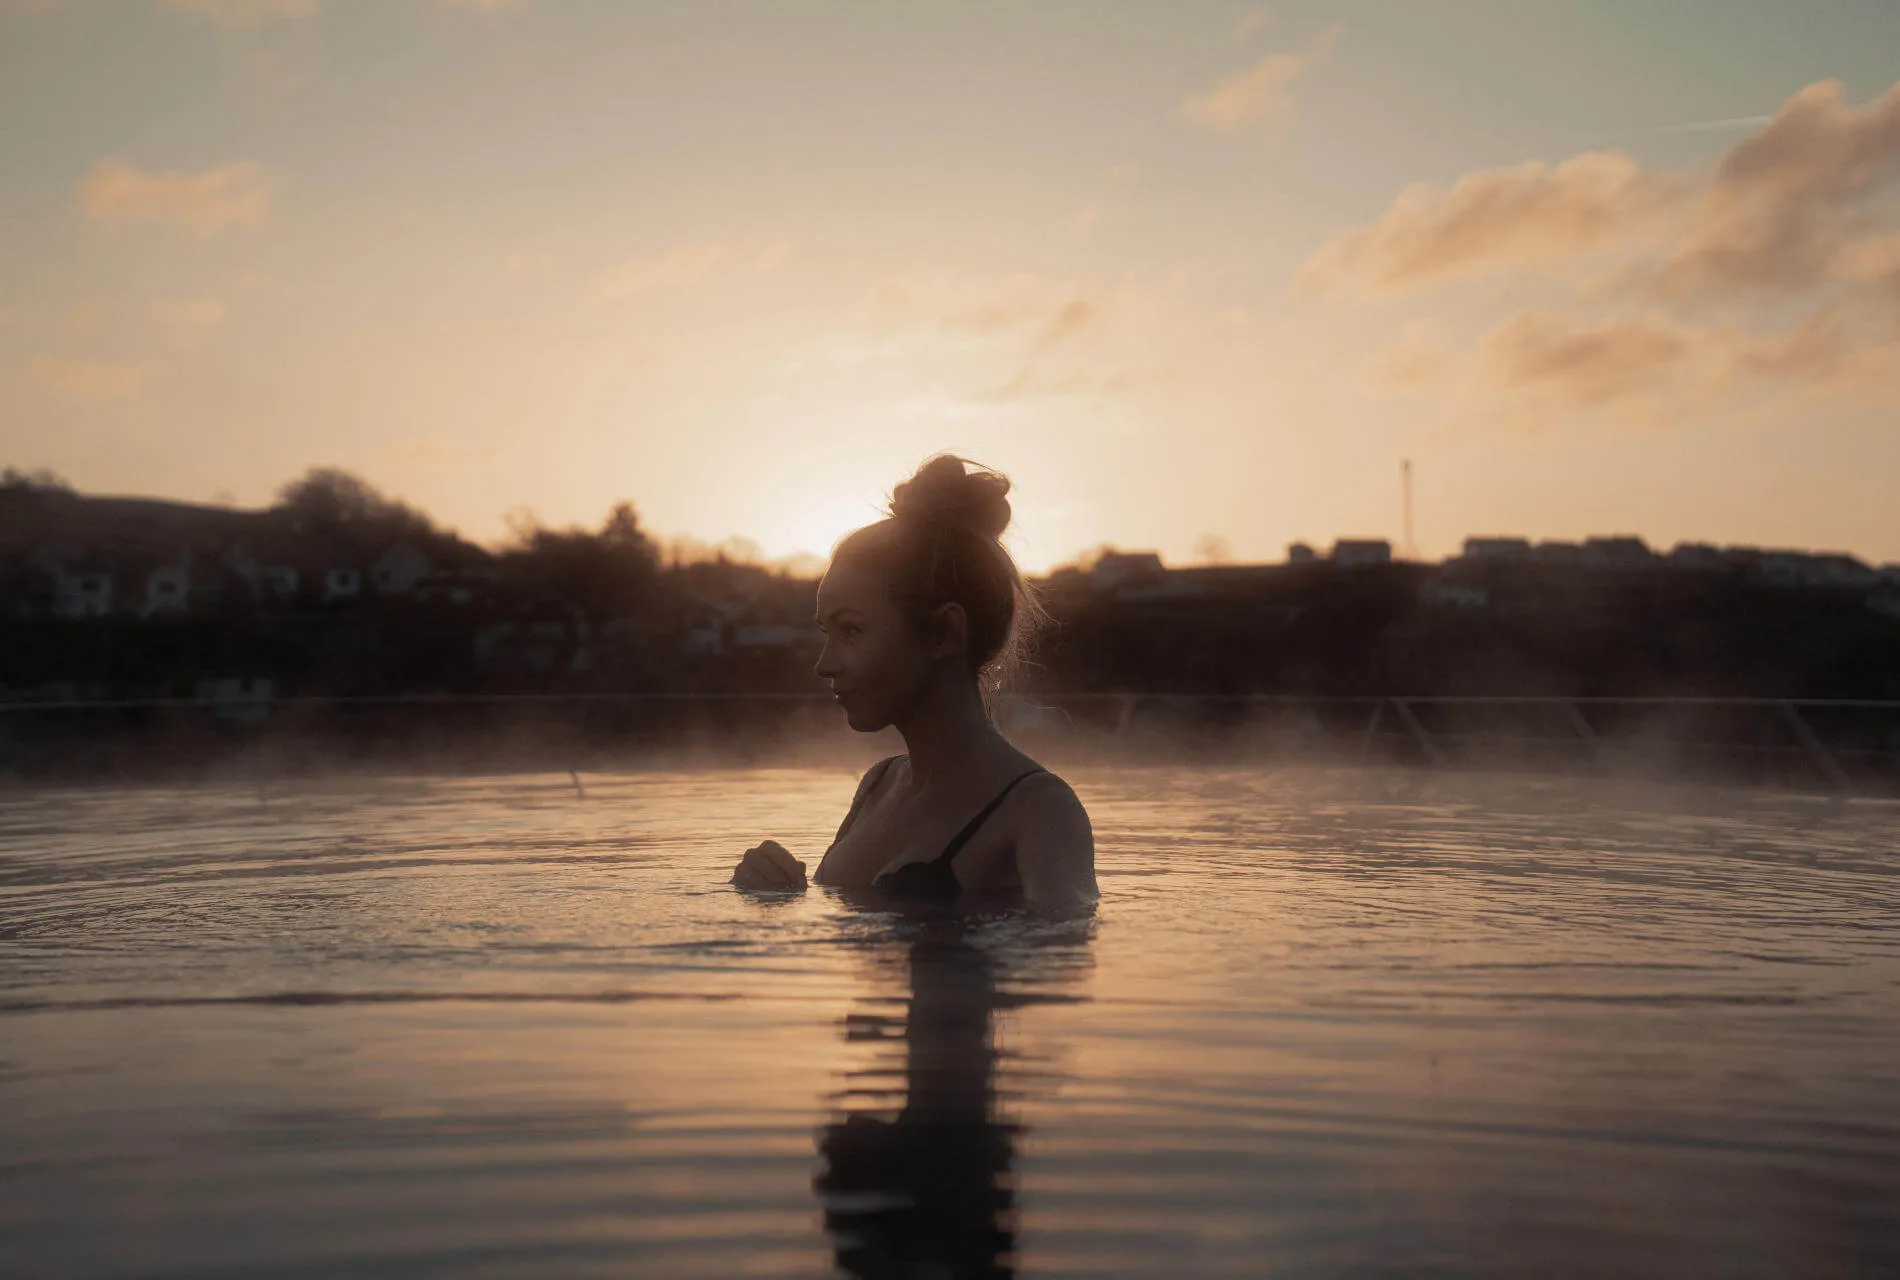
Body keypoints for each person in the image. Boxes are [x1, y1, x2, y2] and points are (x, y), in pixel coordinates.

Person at [729, 454, 1096, 907]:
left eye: (851, 631)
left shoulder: (1040, 810)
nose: (824, 665)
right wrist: (778, 897)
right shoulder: (878, 786)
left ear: (944, 633)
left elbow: (1064, 960)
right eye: (827, 634)